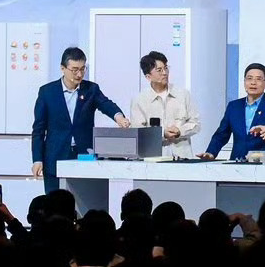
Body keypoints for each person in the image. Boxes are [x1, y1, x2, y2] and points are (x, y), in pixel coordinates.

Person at [31, 47, 130, 194]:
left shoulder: (91, 89)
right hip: (55, 156)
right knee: (54, 202)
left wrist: (119, 117)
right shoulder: (47, 92)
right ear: (63, 68)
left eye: (83, 69)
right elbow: (38, 130)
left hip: (85, 156)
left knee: (87, 199)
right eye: (74, 70)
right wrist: (37, 159)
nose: (79, 74)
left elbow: (106, 104)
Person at [198, 63, 265, 160]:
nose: (253, 82)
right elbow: (221, 134)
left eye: (258, 79)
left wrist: (258, 156)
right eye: (249, 78)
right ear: (244, 82)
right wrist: (210, 153)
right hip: (236, 163)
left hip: (263, 164)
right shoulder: (233, 106)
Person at [128, 51, 201, 158]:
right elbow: (138, 132)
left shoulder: (183, 94)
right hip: (154, 159)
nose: (165, 73)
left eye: (166, 68)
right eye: (159, 70)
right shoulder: (139, 100)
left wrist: (180, 131)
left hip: (183, 158)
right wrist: (162, 134)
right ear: (148, 76)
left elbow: (196, 124)